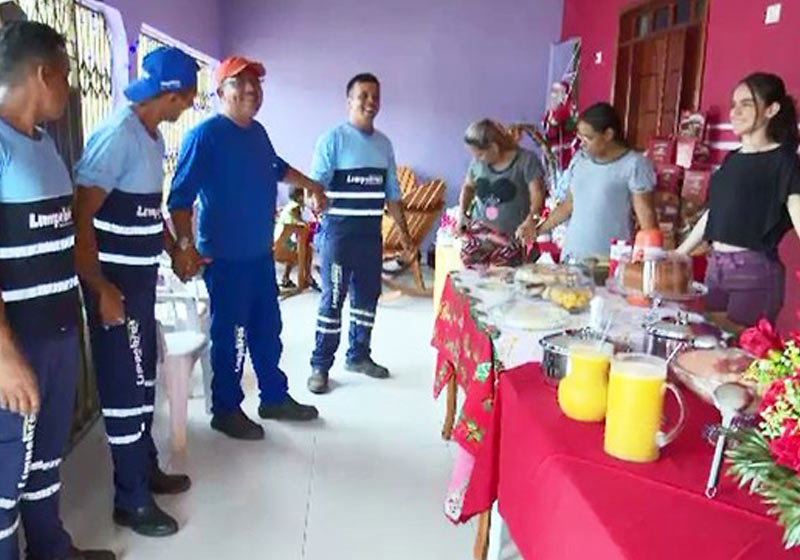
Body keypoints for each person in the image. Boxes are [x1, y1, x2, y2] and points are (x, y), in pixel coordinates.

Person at [0, 21, 114, 560]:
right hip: (13, 346)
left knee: (45, 461)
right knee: (4, 474)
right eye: (65, 76)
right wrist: (5, 357)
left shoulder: (44, 145)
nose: (68, 88)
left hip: (57, 332)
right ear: (42, 74)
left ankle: (51, 549)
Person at [73, 47, 199, 537]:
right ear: (171, 94)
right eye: (185, 100)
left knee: (144, 380)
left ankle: (143, 470)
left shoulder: (149, 137)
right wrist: (100, 287)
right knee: (125, 389)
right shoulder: (117, 136)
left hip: (141, 285)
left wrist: (173, 250)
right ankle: (131, 500)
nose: (185, 108)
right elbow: (81, 216)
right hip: (116, 290)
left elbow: (147, 212)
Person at [168, 56, 327, 441]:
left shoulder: (257, 133)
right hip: (224, 259)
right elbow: (179, 198)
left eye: (256, 83)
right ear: (221, 92)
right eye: (240, 83)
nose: (252, 90)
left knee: (268, 329)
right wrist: (184, 246)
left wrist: (313, 185)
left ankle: (273, 397)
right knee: (232, 336)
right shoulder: (204, 136)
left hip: (258, 256)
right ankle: (225, 409)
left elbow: (276, 167)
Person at [307, 72, 413, 395]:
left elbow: (392, 194)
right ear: (349, 100)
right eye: (363, 95)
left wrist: (406, 236)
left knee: (368, 300)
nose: (370, 102)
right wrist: (314, 198)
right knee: (332, 300)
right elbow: (315, 185)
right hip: (338, 237)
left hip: (370, 237)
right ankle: (320, 366)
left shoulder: (384, 144)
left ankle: (359, 356)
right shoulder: (333, 140)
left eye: (375, 96)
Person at [678, 72, 800, 331]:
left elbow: (797, 213)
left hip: (754, 272)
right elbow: (714, 215)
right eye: (734, 105)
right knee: (708, 347)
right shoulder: (732, 159)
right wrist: (679, 253)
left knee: (741, 356)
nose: (735, 112)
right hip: (716, 268)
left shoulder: (785, 161)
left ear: (771, 109)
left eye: (746, 104)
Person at [535, 102, 658, 262]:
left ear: (608, 135)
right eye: (580, 137)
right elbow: (567, 206)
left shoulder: (634, 165)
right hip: (571, 257)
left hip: (607, 262)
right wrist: (538, 229)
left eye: (589, 138)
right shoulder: (579, 160)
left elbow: (646, 218)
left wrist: (650, 258)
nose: (582, 143)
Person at [459, 119, 546, 267]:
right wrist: (462, 213)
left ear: (493, 147)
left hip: (513, 237)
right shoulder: (477, 164)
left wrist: (532, 219)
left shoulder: (526, 161)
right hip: (480, 236)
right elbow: (468, 187)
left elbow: (537, 194)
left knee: (505, 280)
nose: (476, 159)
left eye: (480, 154)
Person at [274, 186, 309, 289]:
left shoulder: (288, 205)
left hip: (278, 241)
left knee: (297, 248)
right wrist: (302, 223)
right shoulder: (295, 206)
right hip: (281, 244)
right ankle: (305, 279)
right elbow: (295, 216)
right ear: (300, 197)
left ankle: (286, 278)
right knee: (305, 252)